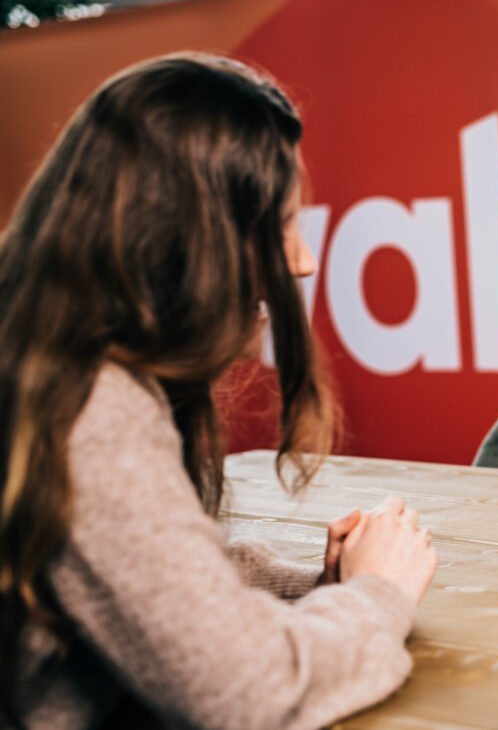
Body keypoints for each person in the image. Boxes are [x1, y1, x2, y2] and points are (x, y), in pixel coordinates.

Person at [0, 54, 440, 729]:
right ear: (191, 240)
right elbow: (249, 690)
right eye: (280, 227)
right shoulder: (93, 409)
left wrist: (317, 587)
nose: (303, 261)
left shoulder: (52, 363)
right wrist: (378, 594)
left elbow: (143, 576)